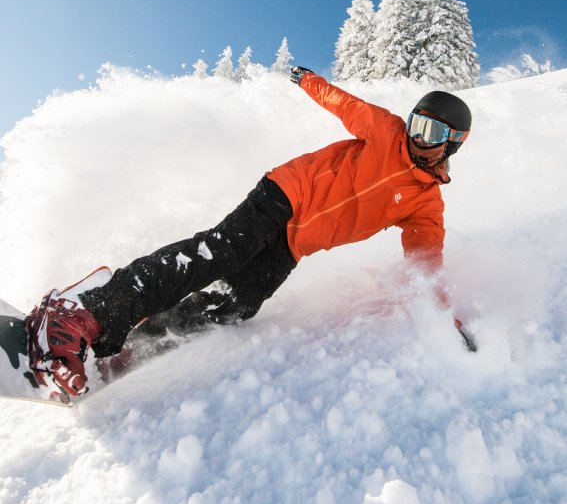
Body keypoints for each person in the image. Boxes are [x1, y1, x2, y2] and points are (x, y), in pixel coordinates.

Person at [26, 67, 472, 397]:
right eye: (416, 122)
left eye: (430, 131)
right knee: (215, 253)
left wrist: (440, 313)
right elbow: (342, 102)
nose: (417, 135)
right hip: (284, 193)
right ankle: (80, 312)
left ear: (452, 142)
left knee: (237, 303)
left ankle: (124, 352)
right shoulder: (385, 130)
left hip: (296, 243)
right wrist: (306, 80)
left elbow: (426, 261)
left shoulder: (425, 206)